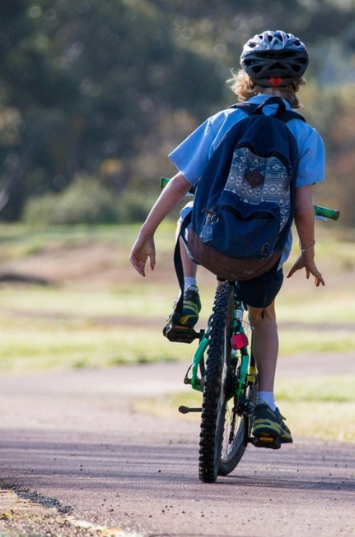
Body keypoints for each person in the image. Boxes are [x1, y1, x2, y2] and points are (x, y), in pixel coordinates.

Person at [128, 30, 326, 449]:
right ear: (297, 83)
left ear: (246, 78)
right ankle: (267, 405)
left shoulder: (224, 121)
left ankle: (189, 294)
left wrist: (145, 234)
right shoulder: (306, 137)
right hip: (263, 256)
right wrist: (308, 254)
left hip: (209, 245)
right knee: (263, 319)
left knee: (187, 214)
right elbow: (304, 208)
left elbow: (182, 183)